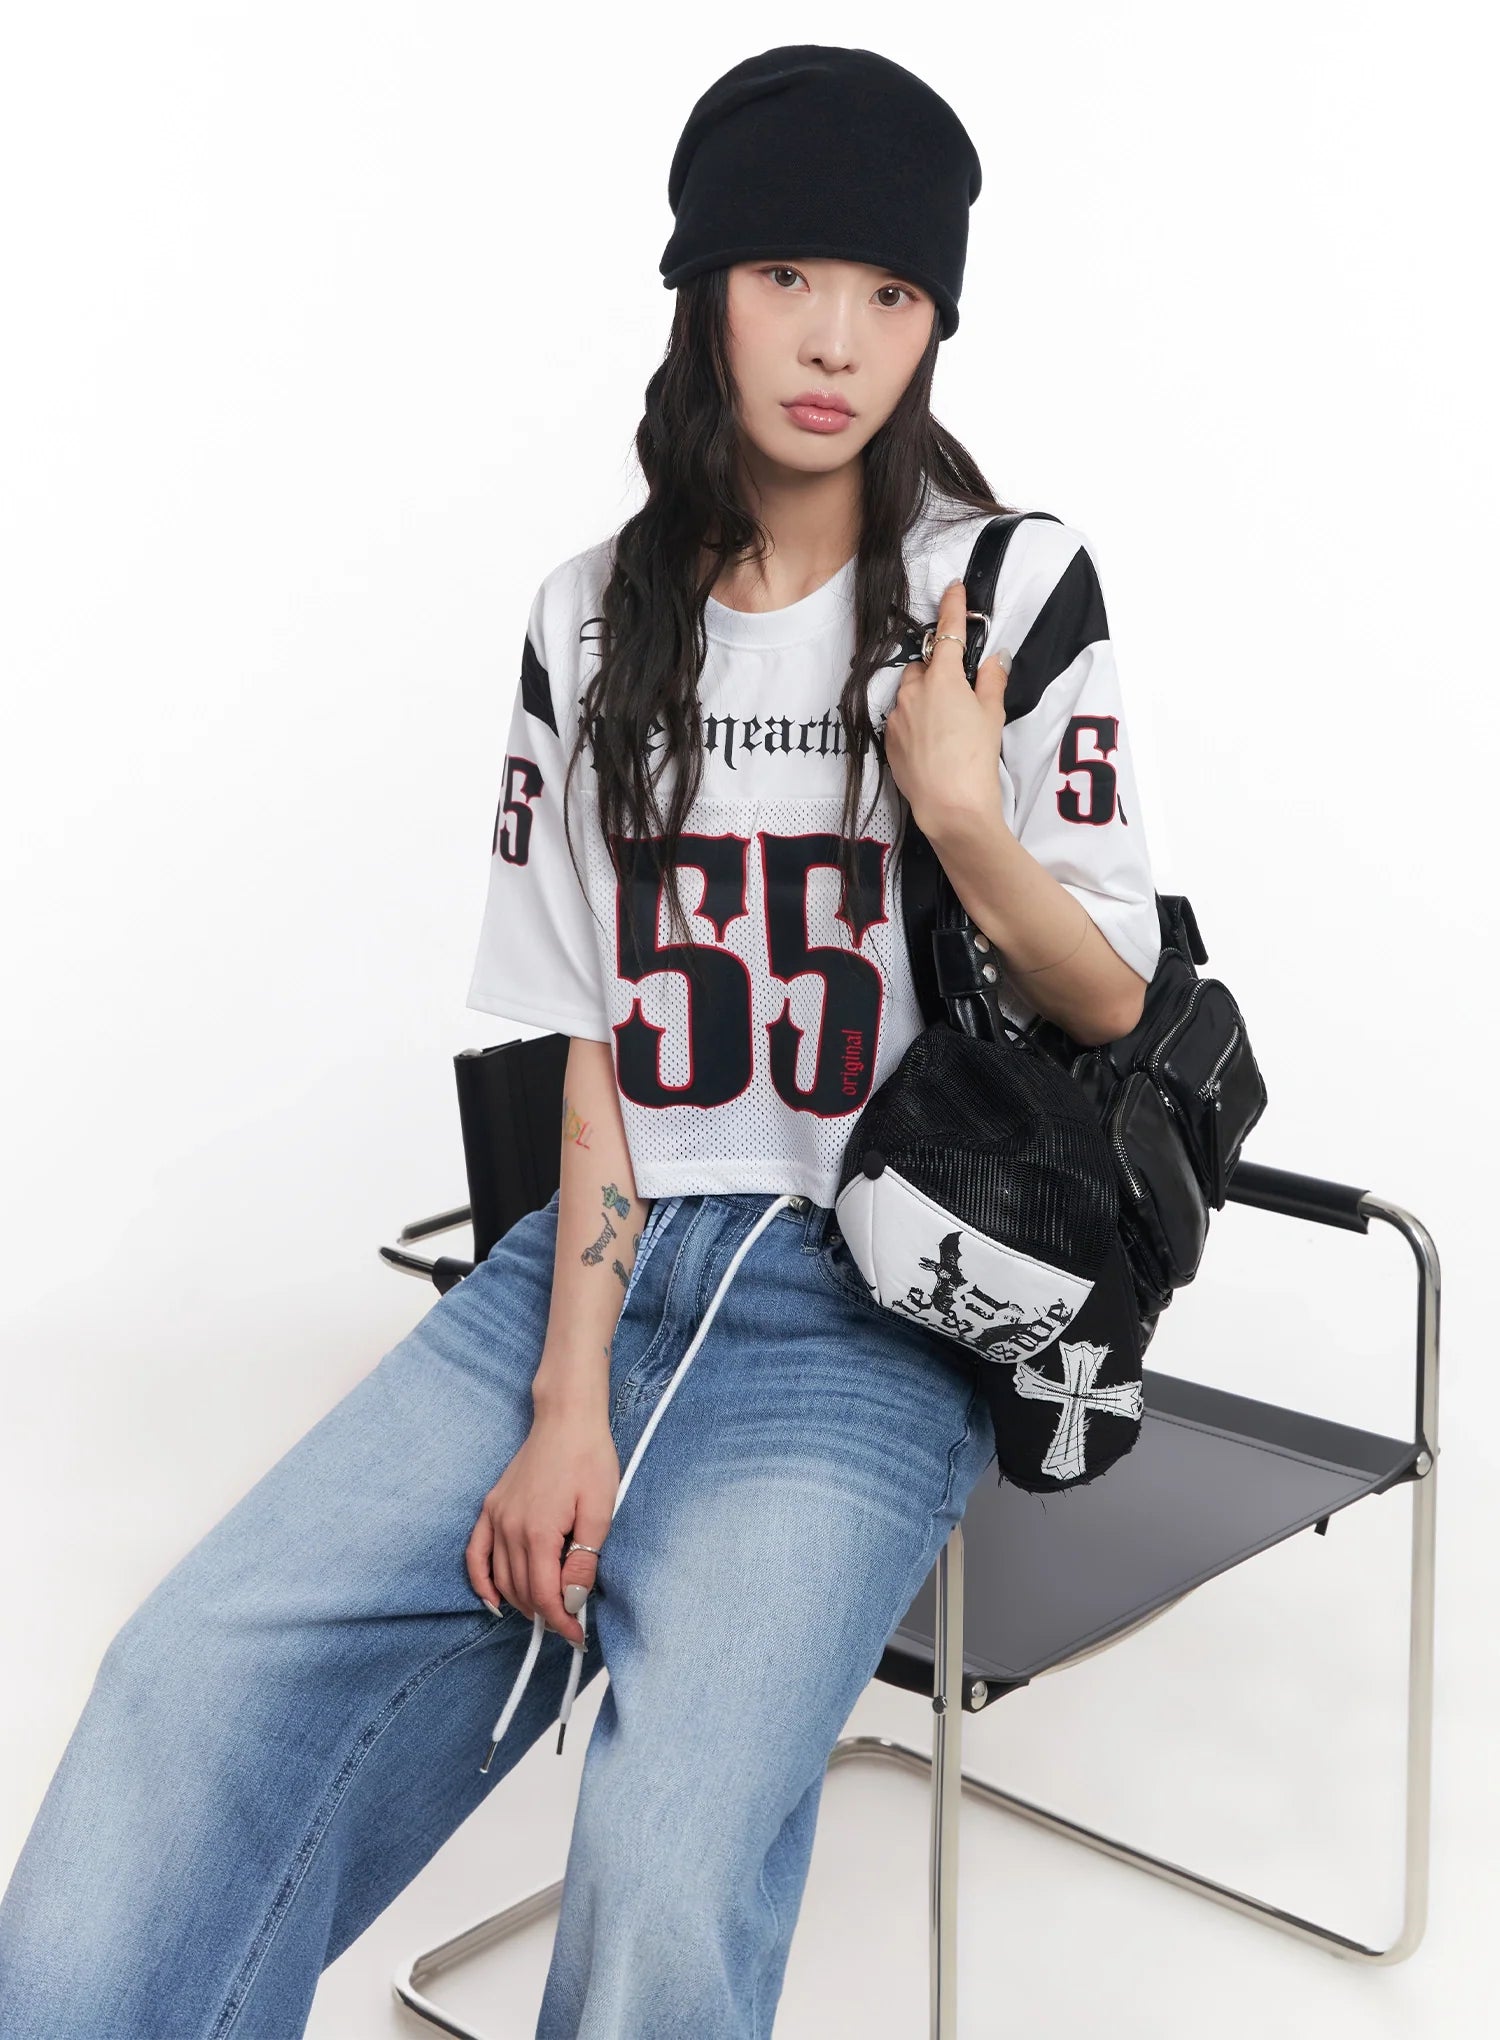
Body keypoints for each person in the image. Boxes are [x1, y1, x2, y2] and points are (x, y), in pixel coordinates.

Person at [0, 43, 1160, 2040]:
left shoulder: (1006, 592)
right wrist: (566, 1404)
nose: (837, 338)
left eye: (891, 293)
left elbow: (1115, 1000)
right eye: (788, 275)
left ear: (934, 327)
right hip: (595, 1272)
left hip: (871, 1327)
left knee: (667, 1861)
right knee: (186, 1678)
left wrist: (966, 820)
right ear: (705, 290)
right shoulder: (590, 617)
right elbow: (604, 1041)